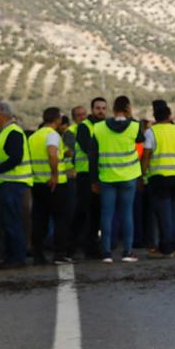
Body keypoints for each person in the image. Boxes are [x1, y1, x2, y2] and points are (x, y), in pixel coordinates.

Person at [91, 96, 142, 264]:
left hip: (106, 176)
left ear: (112, 109)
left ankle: (106, 253)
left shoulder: (99, 128)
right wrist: (130, 116)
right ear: (128, 108)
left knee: (106, 214)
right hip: (128, 177)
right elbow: (141, 142)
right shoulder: (135, 126)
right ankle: (127, 252)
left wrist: (94, 180)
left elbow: (93, 156)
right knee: (127, 214)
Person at [0, 101, 32, 269]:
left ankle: (16, 258)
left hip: (13, 184)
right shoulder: (4, 133)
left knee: (12, 223)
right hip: (7, 184)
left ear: (3, 115)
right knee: (8, 223)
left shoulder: (13, 132)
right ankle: (11, 257)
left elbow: (16, 158)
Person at [27, 107, 71, 265]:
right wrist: (54, 175)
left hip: (37, 183)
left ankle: (38, 255)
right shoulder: (52, 135)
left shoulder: (33, 137)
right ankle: (59, 254)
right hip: (55, 185)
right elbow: (52, 153)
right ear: (57, 119)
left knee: (40, 220)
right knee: (61, 219)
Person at [143, 100, 175, 257]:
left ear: (155, 117)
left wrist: (143, 174)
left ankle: (167, 248)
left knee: (164, 213)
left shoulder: (151, 132)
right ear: (170, 116)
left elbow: (147, 155)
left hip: (158, 177)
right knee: (174, 211)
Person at [70, 96, 106, 259]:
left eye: (104, 108)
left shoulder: (105, 126)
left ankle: (91, 247)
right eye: (98, 108)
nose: (101, 111)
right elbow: (87, 148)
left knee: (96, 213)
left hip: (100, 174)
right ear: (92, 110)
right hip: (85, 175)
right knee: (83, 212)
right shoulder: (84, 126)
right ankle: (70, 247)